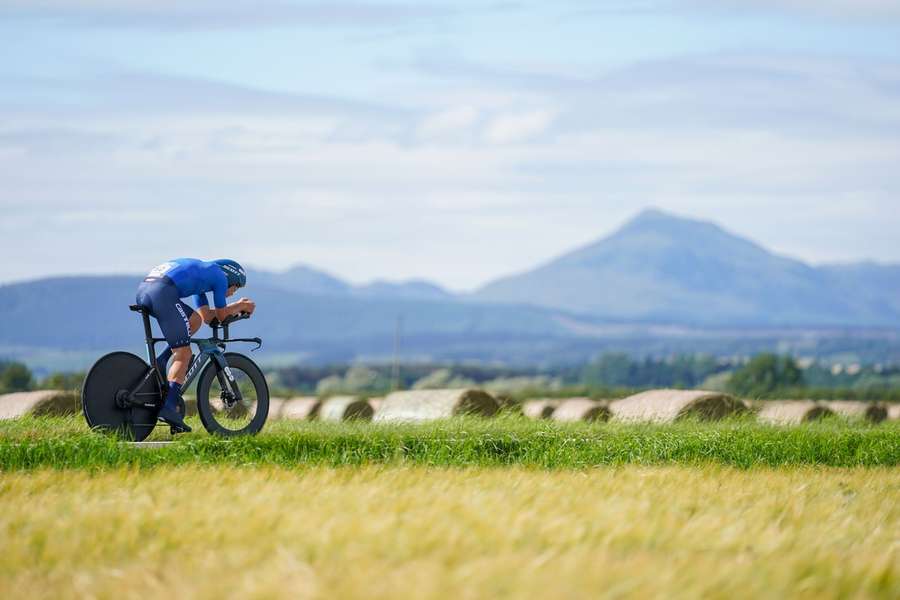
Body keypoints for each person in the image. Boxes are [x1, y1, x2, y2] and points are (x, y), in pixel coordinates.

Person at [135, 258, 255, 433]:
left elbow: (205, 317)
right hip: (162, 292)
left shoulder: (204, 278)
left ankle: (161, 361)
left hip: (146, 291)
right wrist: (241, 305)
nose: (232, 293)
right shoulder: (220, 277)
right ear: (230, 277)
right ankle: (169, 407)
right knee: (184, 354)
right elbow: (221, 316)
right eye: (235, 288)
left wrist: (233, 309)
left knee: (194, 321)